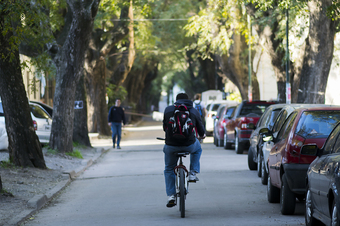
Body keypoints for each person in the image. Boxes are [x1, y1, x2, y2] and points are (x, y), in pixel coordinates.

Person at [162, 93, 206, 208]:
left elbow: (164, 127)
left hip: (171, 146)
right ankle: (192, 173)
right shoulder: (194, 110)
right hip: (189, 145)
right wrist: (202, 135)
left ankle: (171, 195)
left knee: (168, 169)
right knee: (198, 149)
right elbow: (200, 129)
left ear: (176, 100)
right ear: (188, 100)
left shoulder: (168, 110)